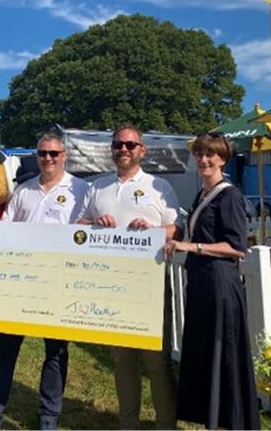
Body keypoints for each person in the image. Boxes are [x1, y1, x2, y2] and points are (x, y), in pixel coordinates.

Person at [0, 132, 88, 430]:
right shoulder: (24, 190)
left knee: (56, 353)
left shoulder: (82, 190)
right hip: (20, 285)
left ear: (64, 155)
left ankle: (48, 418)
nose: (48, 158)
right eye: (42, 153)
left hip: (60, 283)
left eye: (53, 153)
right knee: (3, 351)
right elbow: (6, 232)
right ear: (36, 156)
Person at [79, 125, 178, 430]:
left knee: (156, 363)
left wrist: (154, 231)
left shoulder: (159, 186)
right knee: (121, 361)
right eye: (118, 145)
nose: (123, 150)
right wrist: (96, 222)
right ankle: (128, 423)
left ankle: (165, 424)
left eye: (130, 145)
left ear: (142, 150)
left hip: (149, 284)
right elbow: (79, 225)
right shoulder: (97, 186)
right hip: (111, 286)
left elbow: (177, 228)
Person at [164, 133, 260, 430]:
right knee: (206, 354)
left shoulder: (228, 194)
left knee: (223, 353)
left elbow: (236, 247)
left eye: (210, 155)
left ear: (222, 159)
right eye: (199, 154)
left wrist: (192, 247)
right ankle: (214, 419)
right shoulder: (203, 192)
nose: (203, 159)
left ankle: (228, 421)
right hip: (202, 283)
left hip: (220, 284)